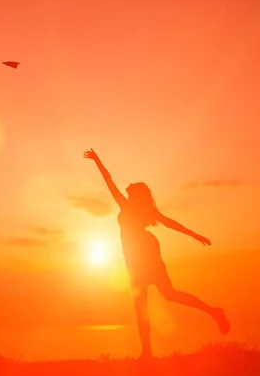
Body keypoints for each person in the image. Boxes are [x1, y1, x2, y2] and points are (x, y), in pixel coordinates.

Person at [83, 148, 229, 359]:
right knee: (156, 299)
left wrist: (195, 235)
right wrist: (97, 160)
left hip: (144, 254)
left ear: (136, 193)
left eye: (132, 186)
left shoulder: (132, 207)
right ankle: (149, 351)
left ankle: (211, 314)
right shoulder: (135, 207)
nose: (128, 185)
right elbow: (110, 181)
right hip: (137, 256)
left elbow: (171, 224)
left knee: (156, 299)